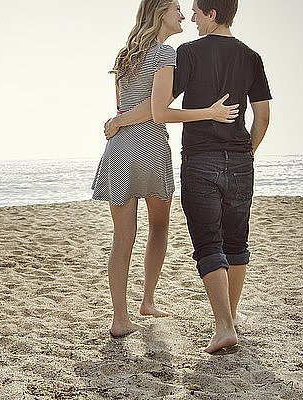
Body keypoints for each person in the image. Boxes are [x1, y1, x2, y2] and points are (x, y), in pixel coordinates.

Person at [108, 0, 272, 352]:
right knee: (233, 241)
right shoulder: (248, 56)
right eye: (182, 11)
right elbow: (262, 117)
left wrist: (119, 120)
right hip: (212, 157)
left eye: (195, 11)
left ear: (212, 14)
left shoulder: (172, 54)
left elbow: (146, 105)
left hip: (168, 156)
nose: (190, 16)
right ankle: (228, 316)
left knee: (201, 243)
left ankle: (217, 324)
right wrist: (246, 152)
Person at [91, 0, 239, 339]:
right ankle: (147, 299)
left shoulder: (123, 55)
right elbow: (157, 109)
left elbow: (122, 106)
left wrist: (117, 122)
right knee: (159, 225)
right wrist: (210, 112)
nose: (183, 15)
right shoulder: (165, 54)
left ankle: (120, 318)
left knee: (122, 237)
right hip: (149, 148)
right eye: (175, 9)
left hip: (118, 150)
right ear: (160, 14)